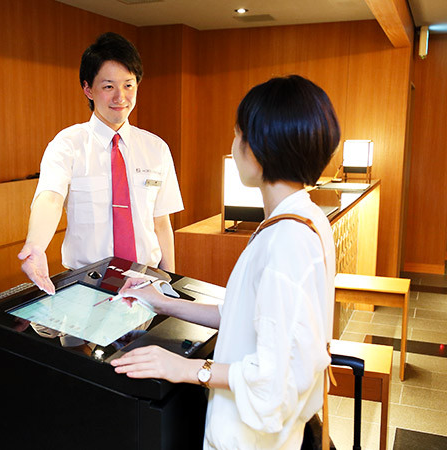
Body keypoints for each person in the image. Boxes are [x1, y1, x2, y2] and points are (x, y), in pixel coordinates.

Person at [111, 75, 340, 449]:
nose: (233, 147)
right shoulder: (305, 218)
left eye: (237, 135)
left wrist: (186, 368)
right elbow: (245, 316)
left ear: (259, 148)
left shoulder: (286, 241)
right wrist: (163, 302)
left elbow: (273, 382)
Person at [18, 32, 183, 294]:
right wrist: (35, 246)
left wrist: (168, 284)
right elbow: (50, 198)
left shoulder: (156, 148)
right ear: (88, 89)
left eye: (128, 85)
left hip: (146, 282)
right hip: (86, 285)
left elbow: (161, 223)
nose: (121, 97)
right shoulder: (67, 144)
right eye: (108, 87)